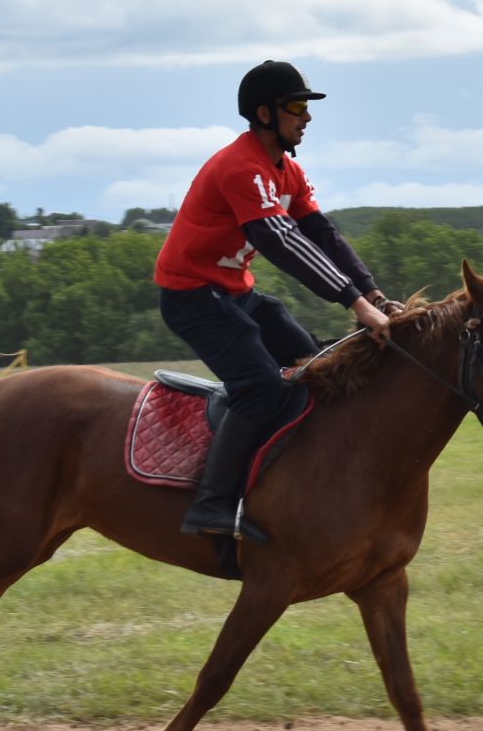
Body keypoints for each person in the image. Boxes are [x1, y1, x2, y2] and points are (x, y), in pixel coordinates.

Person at [154, 60, 394, 543]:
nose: (307, 118)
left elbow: (321, 234)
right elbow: (280, 240)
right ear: (265, 113)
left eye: (307, 108)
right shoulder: (241, 167)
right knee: (261, 387)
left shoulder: (288, 171)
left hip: (235, 295)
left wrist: (373, 294)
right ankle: (212, 506)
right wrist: (354, 304)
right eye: (298, 107)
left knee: (316, 365)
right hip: (192, 298)